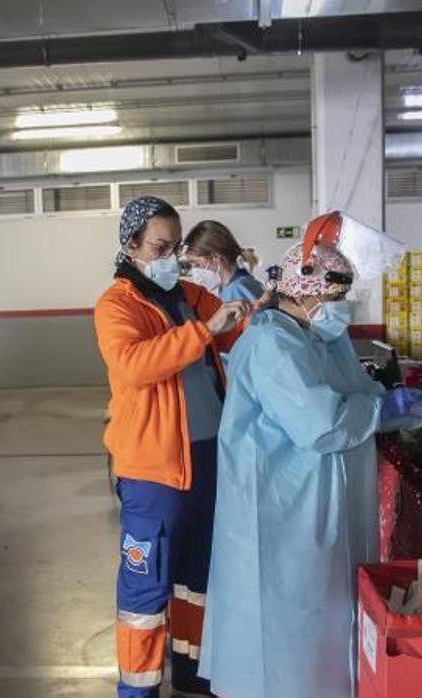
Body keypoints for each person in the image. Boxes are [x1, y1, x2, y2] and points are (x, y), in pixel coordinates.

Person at [198, 216, 422, 698]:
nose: (340, 310)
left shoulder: (322, 339)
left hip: (323, 509)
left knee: (326, 625)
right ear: (305, 291)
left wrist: (415, 405)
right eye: (333, 298)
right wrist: (389, 406)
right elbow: (324, 423)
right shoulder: (271, 344)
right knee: (286, 636)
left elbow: (362, 400)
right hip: (282, 516)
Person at [94, 196, 253, 698]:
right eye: (160, 247)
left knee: (197, 583)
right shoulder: (116, 306)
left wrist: (257, 300)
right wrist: (205, 330)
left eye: (175, 246)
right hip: (154, 474)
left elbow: (241, 332)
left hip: (206, 463)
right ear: (131, 246)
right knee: (146, 593)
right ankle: (137, 690)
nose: (171, 256)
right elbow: (135, 366)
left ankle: (192, 676)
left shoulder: (186, 295)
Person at [183, 220, 265, 303]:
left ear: (216, 257)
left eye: (197, 264)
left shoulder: (237, 290)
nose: (195, 273)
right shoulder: (230, 286)